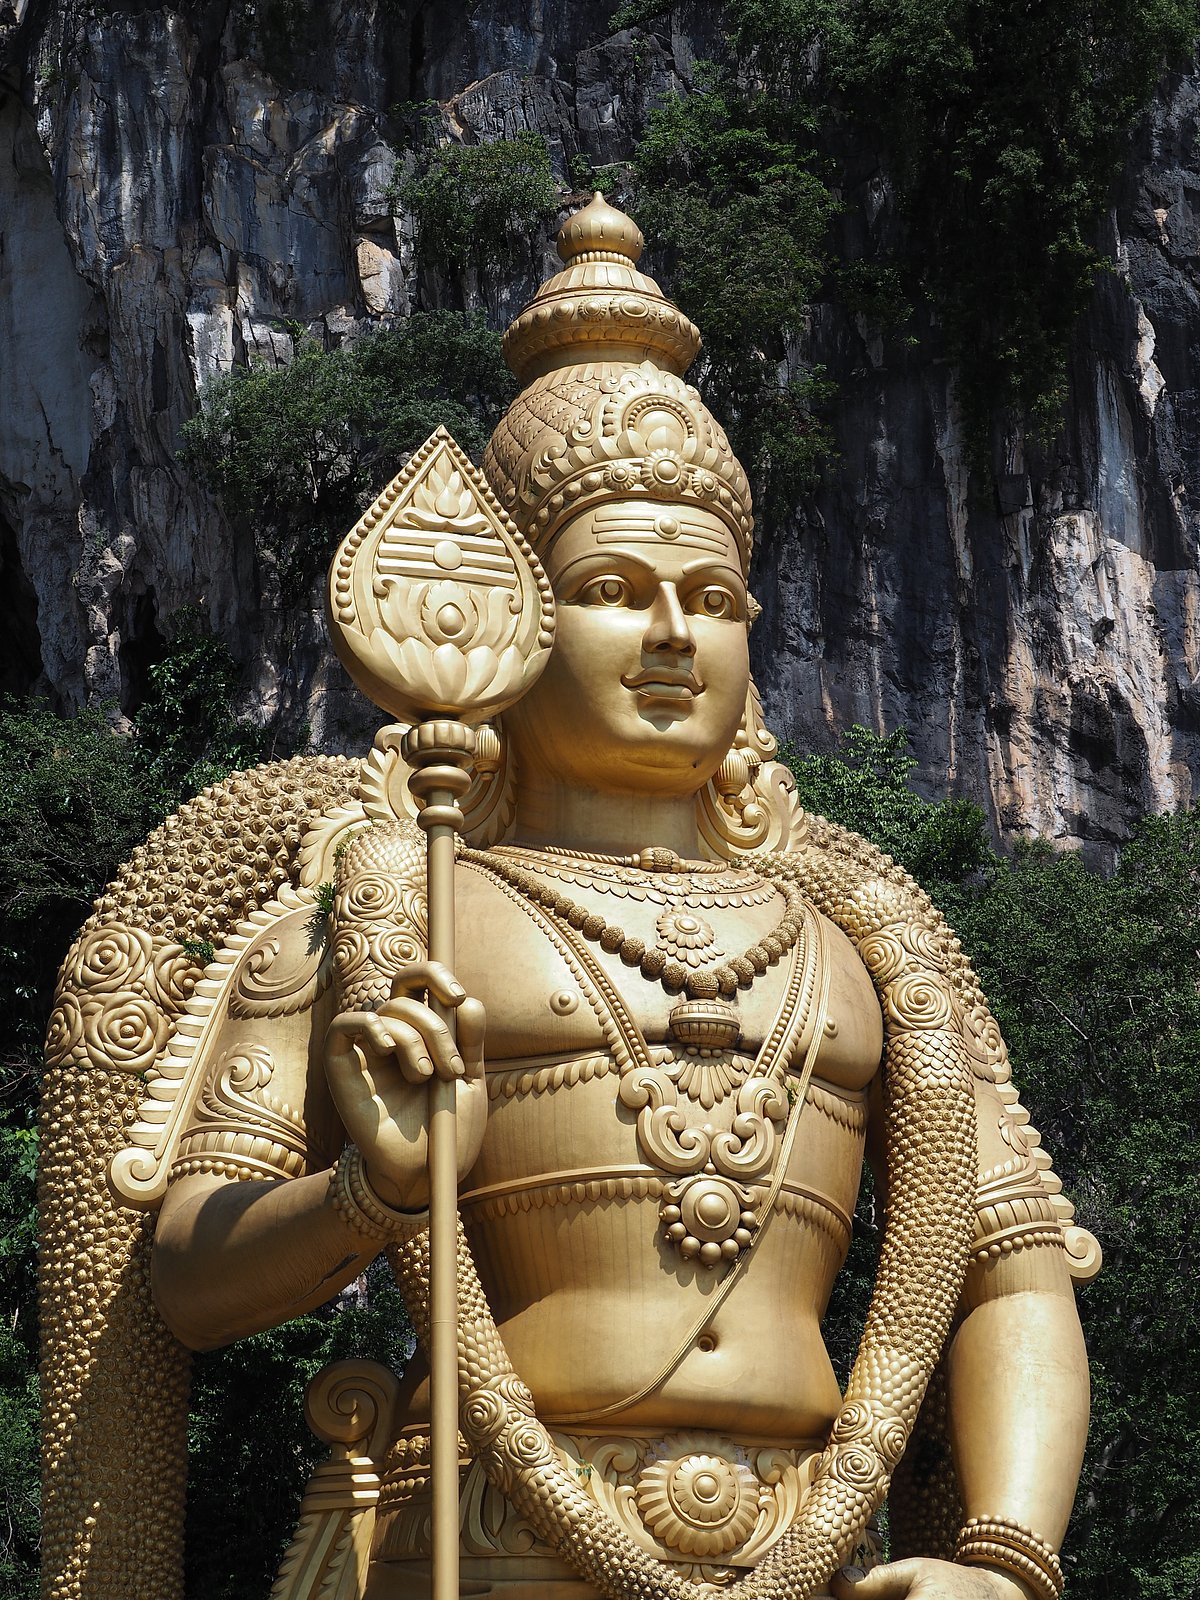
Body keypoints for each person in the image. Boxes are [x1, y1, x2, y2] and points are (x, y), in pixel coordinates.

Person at [42, 196, 1098, 1600]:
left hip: (816, 1544)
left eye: (712, 598)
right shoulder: (393, 902)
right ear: (511, 614)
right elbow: (184, 1278)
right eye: (614, 587)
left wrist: (1008, 1555)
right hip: (476, 1545)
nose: (674, 637)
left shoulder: (865, 929)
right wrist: (368, 1189)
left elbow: (1014, 1273)